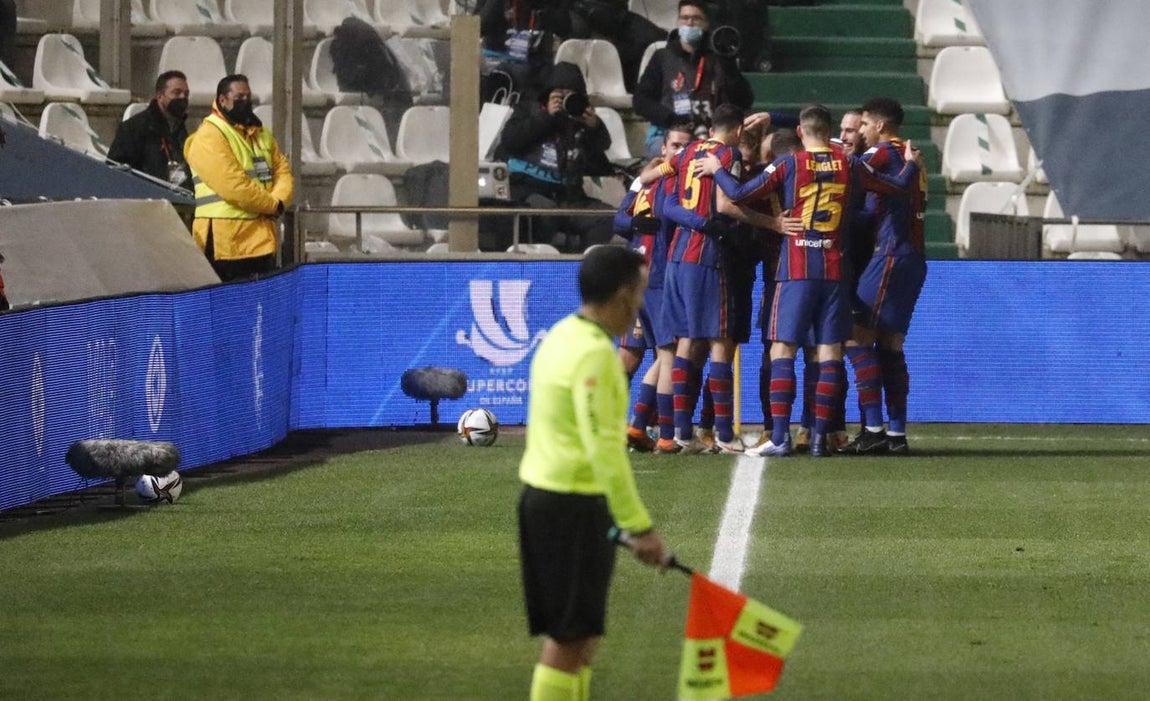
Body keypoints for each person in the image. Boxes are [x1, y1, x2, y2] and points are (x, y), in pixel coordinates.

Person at [698, 104, 919, 456]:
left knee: (782, 349)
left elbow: (739, 195)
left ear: (800, 133)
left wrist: (717, 170)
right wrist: (909, 163)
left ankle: (781, 437)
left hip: (795, 269)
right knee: (829, 351)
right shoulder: (849, 163)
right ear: (829, 131)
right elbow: (896, 186)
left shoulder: (790, 163)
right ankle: (817, 438)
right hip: (834, 270)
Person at [518, 245, 668, 701]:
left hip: (546, 499)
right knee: (569, 641)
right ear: (622, 295)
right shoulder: (596, 356)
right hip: (571, 506)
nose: (641, 306)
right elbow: (605, 450)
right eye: (640, 294)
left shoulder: (562, 336)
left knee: (582, 637)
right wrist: (639, 526)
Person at [839, 97, 927, 455]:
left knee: (855, 338)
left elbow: (851, 172)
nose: (859, 131)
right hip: (915, 258)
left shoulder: (882, 152)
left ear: (878, 125)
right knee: (891, 345)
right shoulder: (915, 159)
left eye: (862, 125)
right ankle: (896, 433)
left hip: (889, 255)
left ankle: (873, 427)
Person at [495, 62, 615, 253]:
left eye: (571, 94)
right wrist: (546, 117)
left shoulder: (580, 122)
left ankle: (584, 267)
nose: (566, 99)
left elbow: (601, 165)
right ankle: (545, 267)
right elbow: (511, 141)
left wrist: (594, 128)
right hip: (529, 191)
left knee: (606, 216)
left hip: (569, 197)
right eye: (561, 94)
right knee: (544, 211)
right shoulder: (528, 110)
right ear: (549, 93)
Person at [184, 74, 293, 282]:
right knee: (227, 309)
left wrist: (279, 201)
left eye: (248, 97)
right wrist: (272, 205)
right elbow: (233, 185)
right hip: (225, 243)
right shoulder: (210, 134)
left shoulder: (261, 133)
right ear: (222, 100)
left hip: (260, 240)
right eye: (239, 97)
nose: (245, 102)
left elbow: (283, 171)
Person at [632, 0, 753, 158]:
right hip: (669, 134)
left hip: (710, 135)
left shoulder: (718, 59)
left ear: (706, 24)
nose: (689, 23)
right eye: (685, 18)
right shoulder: (662, 57)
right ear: (678, 22)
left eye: (696, 18)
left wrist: (728, 66)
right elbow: (640, 101)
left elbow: (744, 100)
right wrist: (671, 119)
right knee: (677, 153)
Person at [108, 71, 193, 191]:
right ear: (160, 96)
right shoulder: (134, 128)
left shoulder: (180, 128)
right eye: (176, 92)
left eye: (186, 94)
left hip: (182, 200)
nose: (183, 97)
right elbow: (116, 170)